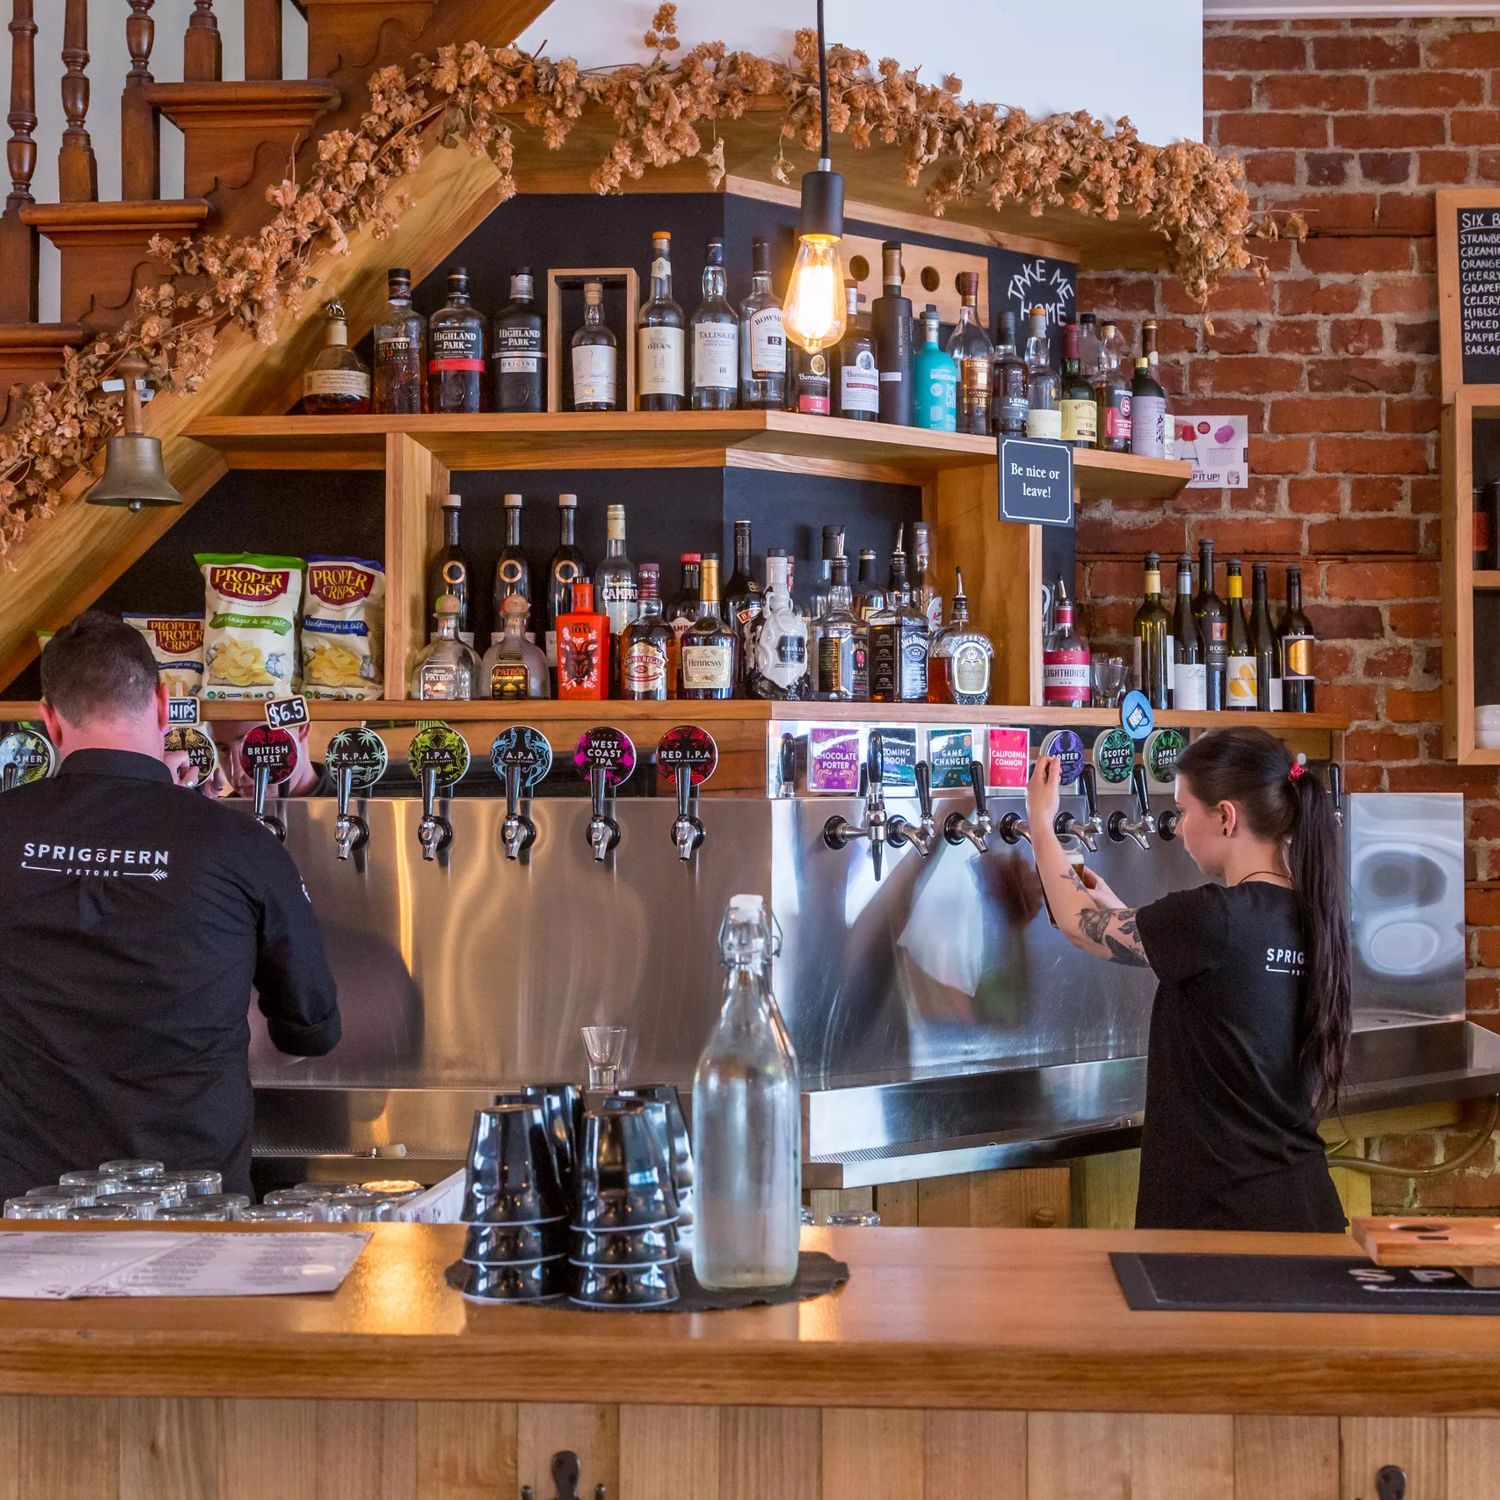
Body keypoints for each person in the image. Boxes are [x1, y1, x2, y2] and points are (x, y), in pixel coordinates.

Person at [0, 612, 340, 1200]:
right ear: (162, 704)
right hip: (191, 1213)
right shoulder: (240, 846)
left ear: (50, 721)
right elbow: (310, 1029)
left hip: (24, 1219)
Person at [1025, 726, 1350, 1233]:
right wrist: (1113, 903)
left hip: (1221, 1224)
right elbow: (1203, 967)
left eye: (1184, 811)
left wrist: (1041, 824)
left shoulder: (1212, 917)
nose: (1176, 828)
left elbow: (1075, 926)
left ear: (1226, 817)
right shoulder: (1312, 916)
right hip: (1304, 1210)